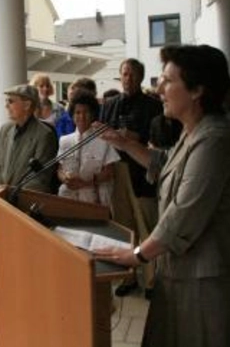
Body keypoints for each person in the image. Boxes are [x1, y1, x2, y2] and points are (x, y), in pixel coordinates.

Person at [95, 45, 230, 347]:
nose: (159, 87)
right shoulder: (193, 132)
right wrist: (124, 145)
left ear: (197, 90)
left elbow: (182, 216)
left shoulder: (215, 140)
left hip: (205, 286)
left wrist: (137, 255)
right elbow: (165, 163)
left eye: (168, 80)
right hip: (181, 276)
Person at [99, 58, 163, 298]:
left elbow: (154, 140)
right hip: (117, 171)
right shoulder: (110, 104)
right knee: (125, 227)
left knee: (147, 225)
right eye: (125, 74)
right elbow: (103, 135)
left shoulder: (152, 105)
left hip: (143, 171)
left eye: (133, 75)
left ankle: (151, 281)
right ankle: (128, 278)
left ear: (141, 77)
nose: (128, 79)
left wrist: (130, 137)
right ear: (120, 76)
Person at [0, 84, 58, 192]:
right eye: (6, 101)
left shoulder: (45, 134)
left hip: (26, 203)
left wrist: (13, 193)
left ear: (27, 105)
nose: (6, 106)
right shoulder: (5, 129)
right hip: (2, 200)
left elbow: (41, 177)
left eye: (11, 101)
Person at [56, 90, 120, 207]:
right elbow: (60, 169)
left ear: (93, 114)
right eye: (78, 112)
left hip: (94, 199)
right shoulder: (65, 140)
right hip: (68, 197)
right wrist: (65, 179)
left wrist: (86, 183)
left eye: (86, 112)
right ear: (72, 115)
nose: (82, 116)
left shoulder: (104, 139)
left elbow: (109, 172)